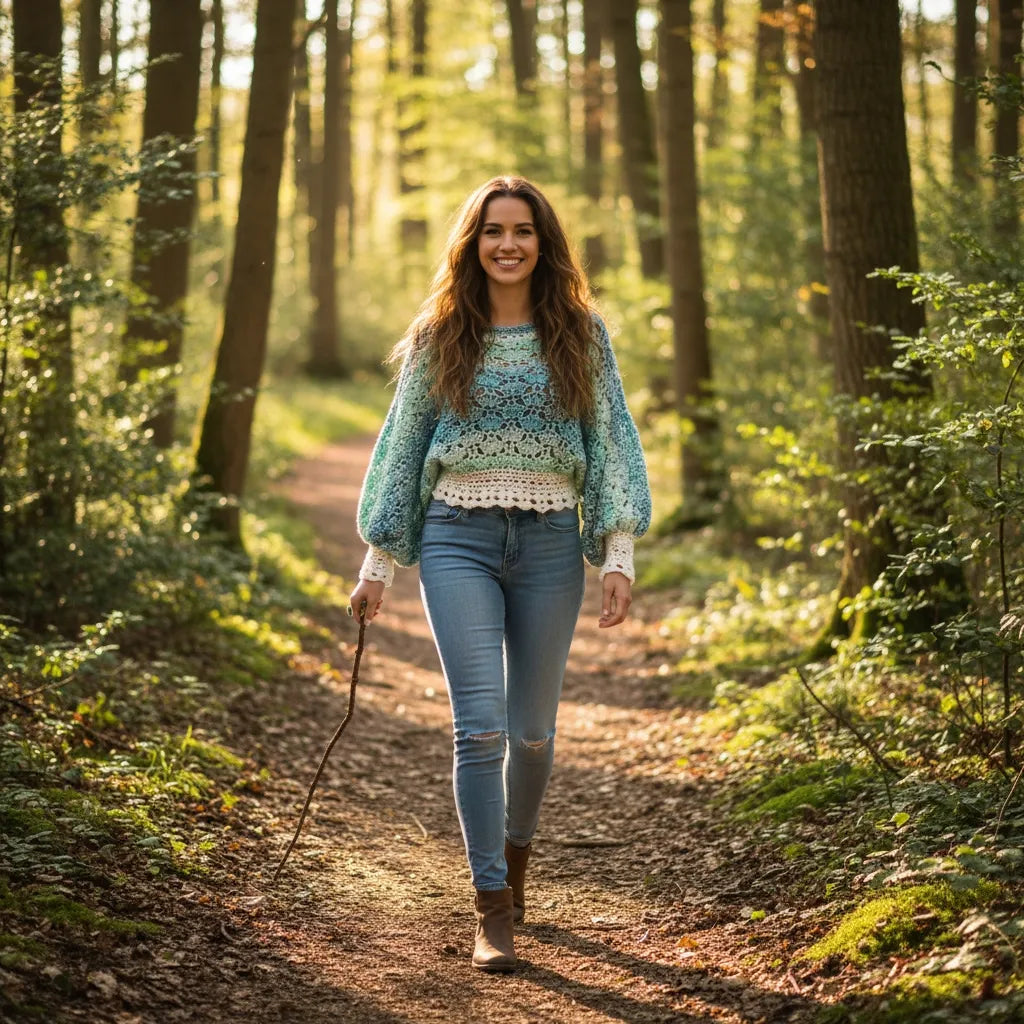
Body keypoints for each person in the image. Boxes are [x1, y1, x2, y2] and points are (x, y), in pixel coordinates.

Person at [349, 175, 651, 972]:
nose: (508, 244)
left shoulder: (580, 334)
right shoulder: (441, 334)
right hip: (457, 539)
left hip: (552, 543)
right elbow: (403, 446)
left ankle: (516, 859)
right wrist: (377, 562)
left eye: (522, 231)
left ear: (544, 245)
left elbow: (613, 439)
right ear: (472, 243)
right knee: (479, 728)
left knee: (535, 736)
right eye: (492, 231)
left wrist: (617, 552)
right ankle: (491, 908)